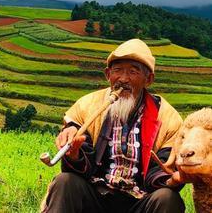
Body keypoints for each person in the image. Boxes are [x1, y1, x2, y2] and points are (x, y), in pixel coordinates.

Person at [41, 39, 186, 213]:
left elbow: (163, 168)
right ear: (108, 74)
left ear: (149, 79)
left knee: (167, 198)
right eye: (117, 71)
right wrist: (74, 155)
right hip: (96, 197)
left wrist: (171, 180)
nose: (123, 79)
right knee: (65, 182)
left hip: (139, 201)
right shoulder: (88, 106)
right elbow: (83, 166)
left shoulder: (168, 117)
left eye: (133, 72)